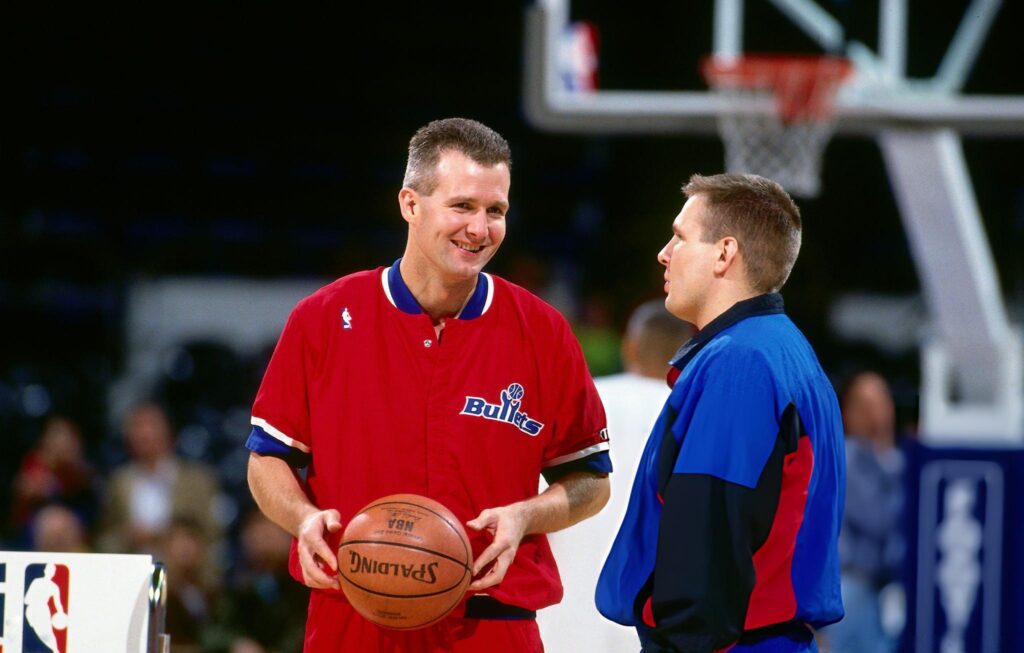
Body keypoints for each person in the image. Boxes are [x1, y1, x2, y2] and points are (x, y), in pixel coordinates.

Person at [245, 117, 611, 653]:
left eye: (496, 211)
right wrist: (301, 518)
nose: (479, 228)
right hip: (354, 613)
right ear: (410, 204)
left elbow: (591, 481)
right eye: (462, 206)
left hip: (492, 621)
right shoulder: (322, 319)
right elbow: (267, 459)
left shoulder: (544, 332)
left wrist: (527, 515)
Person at [597, 173, 846, 652]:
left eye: (680, 237)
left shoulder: (740, 362)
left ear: (724, 253)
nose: (664, 253)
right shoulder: (786, 351)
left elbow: (706, 541)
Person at [538, 300, 693, 652]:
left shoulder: (582, 399)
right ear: (685, 354)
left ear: (629, 347)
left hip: (562, 621)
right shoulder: (694, 413)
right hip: (652, 625)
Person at [823, 371, 905, 653]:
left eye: (880, 403)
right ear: (848, 413)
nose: (874, 414)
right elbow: (877, 519)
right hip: (851, 582)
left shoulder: (899, 460)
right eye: (865, 405)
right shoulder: (845, 456)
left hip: (888, 587)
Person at [97, 402, 223, 573]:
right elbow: (105, 537)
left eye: (150, 425)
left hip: (185, 573)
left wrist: (166, 538)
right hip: (131, 571)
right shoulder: (119, 482)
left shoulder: (197, 480)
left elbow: (212, 533)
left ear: (169, 432)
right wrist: (127, 536)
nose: (144, 433)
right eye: (137, 426)